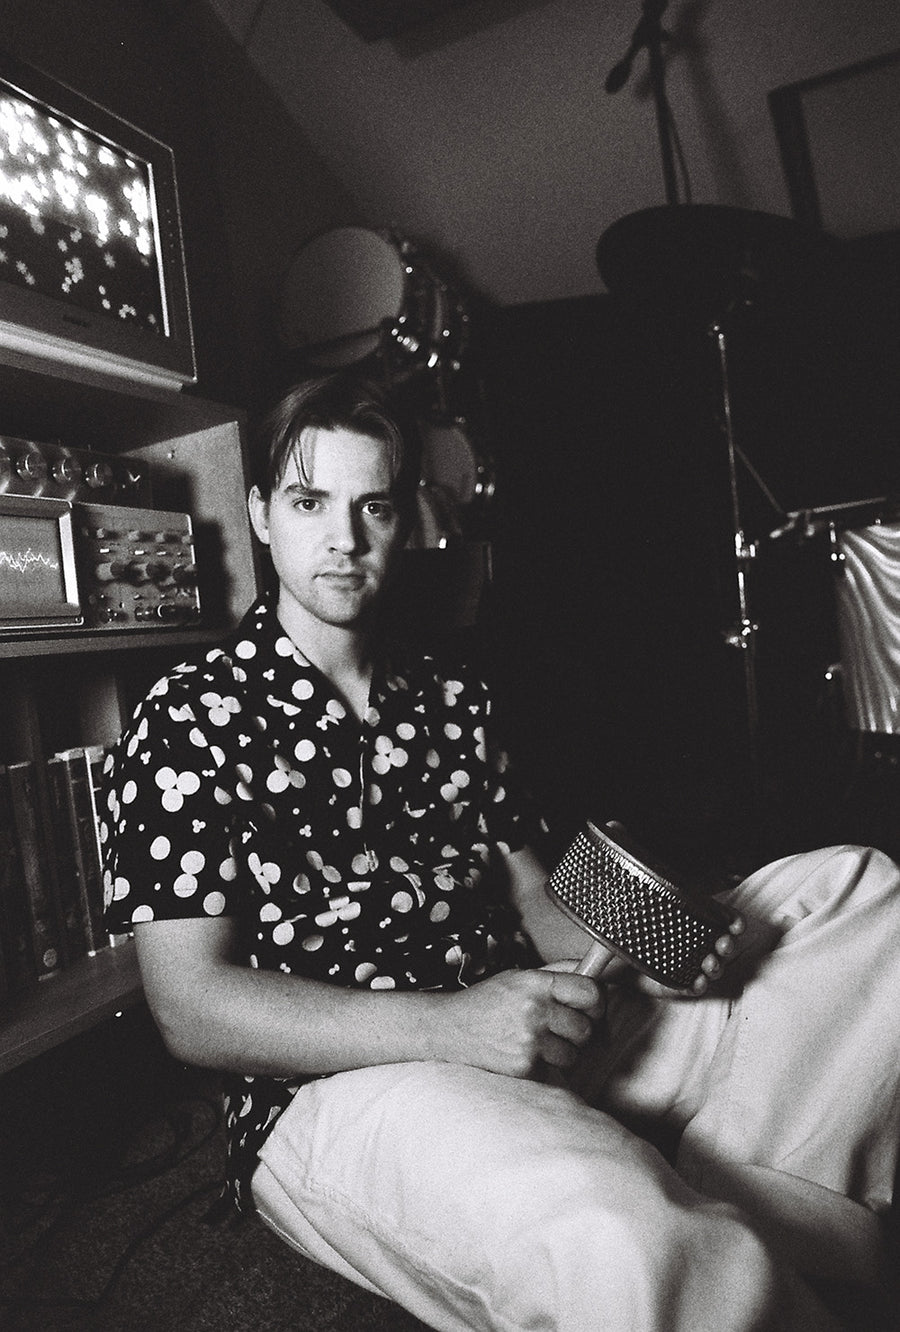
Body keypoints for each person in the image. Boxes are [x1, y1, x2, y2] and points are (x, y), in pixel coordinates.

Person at [101, 373, 899, 1332]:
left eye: (373, 507)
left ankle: (775, 1215)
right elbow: (190, 1007)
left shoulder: (452, 695)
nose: (344, 539)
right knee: (622, 1242)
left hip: (534, 1027)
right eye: (311, 503)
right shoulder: (188, 715)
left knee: (858, 886)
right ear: (263, 514)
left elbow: (533, 900)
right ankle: (685, 1216)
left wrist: (644, 939)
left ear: (404, 522)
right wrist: (453, 1028)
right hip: (344, 1088)